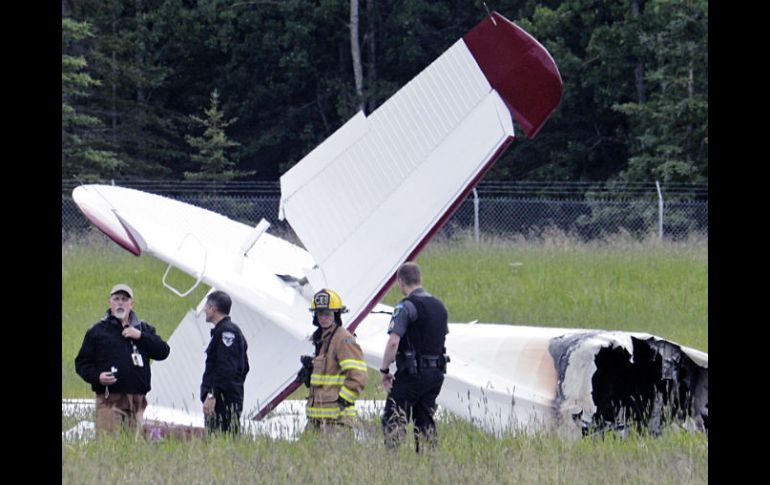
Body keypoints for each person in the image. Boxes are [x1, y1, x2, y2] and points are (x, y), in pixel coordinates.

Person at [75, 284, 171, 438]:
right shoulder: (97, 331)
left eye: (125, 299)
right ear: (110, 303)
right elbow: (81, 363)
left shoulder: (144, 329)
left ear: (131, 304)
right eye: (116, 299)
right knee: (109, 445)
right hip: (108, 399)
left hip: (137, 400)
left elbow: (163, 352)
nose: (120, 303)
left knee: (133, 448)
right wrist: (98, 377)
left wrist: (140, 336)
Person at [380, 262, 449, 452]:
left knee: (393, 418)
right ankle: (429, 463)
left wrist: (384, 370)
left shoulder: (406, 307)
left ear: (401, 282)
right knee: (424, 419)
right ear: (420, 279)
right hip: (436, 374)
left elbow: (394, 342)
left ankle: (392, 463)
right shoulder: (439, 306)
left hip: (413, 373)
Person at [297, 288, 368, 434]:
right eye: (320, 313)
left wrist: (343, 401)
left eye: (328, 313)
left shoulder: (343, 339)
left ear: (336, 315)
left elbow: (358, 376)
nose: (323, 317)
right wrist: (311, 369)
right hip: (316, 420)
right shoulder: (321, 340)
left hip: (337, 422)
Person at [200, 290, 250, 435]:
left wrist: (212, 394)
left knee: (220, 440)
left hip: (222, 402)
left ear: (213, 309)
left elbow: (226, 368)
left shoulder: (226, 333)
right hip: (228, 397)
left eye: (206, 307)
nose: (204, 310)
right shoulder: (230, 331)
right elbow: (244, 367)